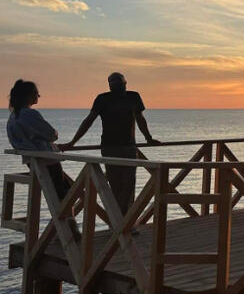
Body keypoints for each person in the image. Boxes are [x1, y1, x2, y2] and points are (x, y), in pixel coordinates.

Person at [61, 73, 159, 216]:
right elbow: (88, 121)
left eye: (118, 83)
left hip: (128, 148)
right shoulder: (103, 99)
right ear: (109, 85)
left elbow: (140, 119)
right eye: (113, 84)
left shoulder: (133, 96)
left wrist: (149, 138)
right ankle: (120, 221)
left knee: (128, 185)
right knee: (116, 185)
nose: (115, 86)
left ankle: (123, 221)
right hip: (110, 148)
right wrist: (72, 142)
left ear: (125, 83)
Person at [6, 80, 80, 240]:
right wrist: (54, 138)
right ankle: (69, 230)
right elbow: (51, 134)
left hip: (33, 163)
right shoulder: (29, 114)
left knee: (63, 193)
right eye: (36, 93)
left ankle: (63, 230)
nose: (38, 96)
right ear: (28, 96)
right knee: (66, 195)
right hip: (48, 161)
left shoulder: (12, 118)